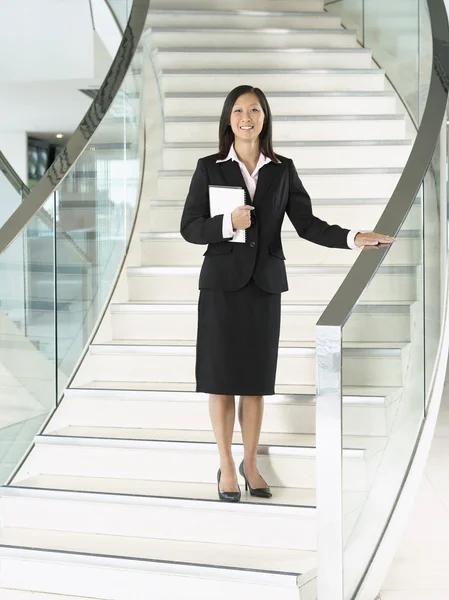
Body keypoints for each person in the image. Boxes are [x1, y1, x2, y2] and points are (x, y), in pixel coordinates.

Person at [180, 85, 395, 502]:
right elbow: (190, 227)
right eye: (239, 110)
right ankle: (226, 465)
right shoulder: (208, 167)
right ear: (228, 119)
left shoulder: (282, 169)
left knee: (256, 383)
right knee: (221, 382)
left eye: (255, 109)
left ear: (265, 118)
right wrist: (228, 223)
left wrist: (353, 237)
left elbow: (307, 224)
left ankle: (251, 462)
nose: (247, 117)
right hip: (221, 287)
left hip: (264, 287)